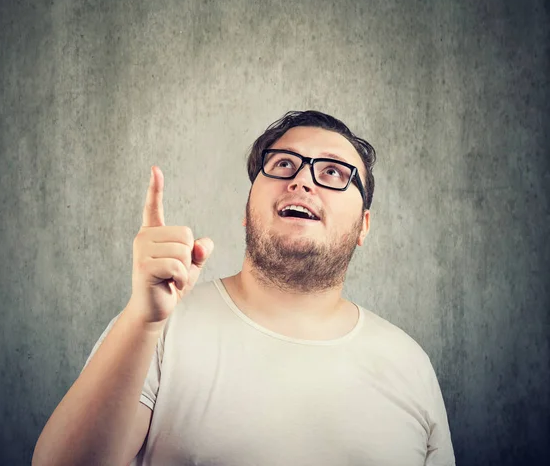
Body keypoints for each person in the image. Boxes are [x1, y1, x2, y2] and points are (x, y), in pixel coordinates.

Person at [32, 110, 455, 466]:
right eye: (284, 164)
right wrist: (143, 323)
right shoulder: (159, 330)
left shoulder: (410, 365)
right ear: (247, 210)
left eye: (332, 172)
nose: (302, 182)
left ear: (364, 225)